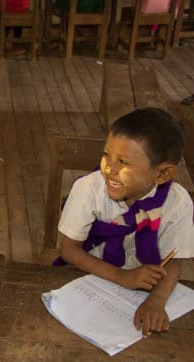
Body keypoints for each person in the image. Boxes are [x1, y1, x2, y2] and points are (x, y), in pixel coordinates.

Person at [58, 108, 194, 336]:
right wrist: (123, 277)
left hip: (144, 287)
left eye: (123, 162)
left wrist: (157, 301)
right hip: (90, 277)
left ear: (162, 174)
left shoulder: (177, 202)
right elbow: (69, 251)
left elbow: (173, 261)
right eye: (106, 155)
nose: (109, 169)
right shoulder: (89, 189)